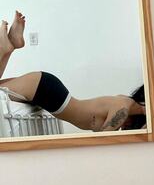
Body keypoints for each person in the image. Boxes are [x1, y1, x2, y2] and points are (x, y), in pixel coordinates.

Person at [0, 11, 146, 132]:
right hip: (47, 91)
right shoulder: (123, 106)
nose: (126, 127)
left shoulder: (122, 103)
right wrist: (146, 118)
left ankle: (11, 46)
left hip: (47, 89)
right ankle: (5, 48)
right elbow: (106, 138)